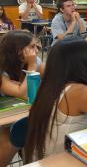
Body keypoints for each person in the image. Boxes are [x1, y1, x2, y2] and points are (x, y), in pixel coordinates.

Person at [0, 30, 44, 167]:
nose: (36, 51)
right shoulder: (2, 68)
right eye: (32, 47)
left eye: (37, 46)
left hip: (21, 113)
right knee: (10, 140)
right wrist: (32, 67)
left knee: (33, 135)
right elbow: (24, 93)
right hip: (5, 116)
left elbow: (52, 79)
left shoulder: (35, 60)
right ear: (18, 51)